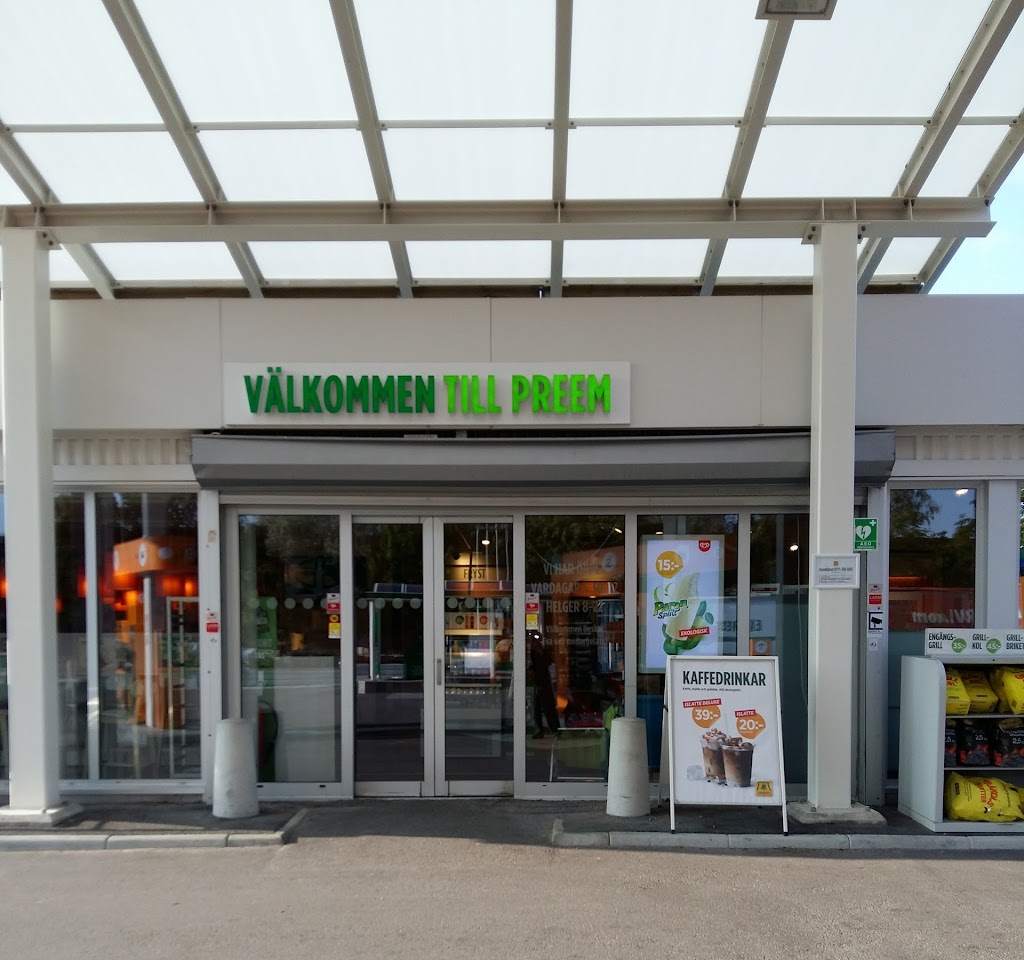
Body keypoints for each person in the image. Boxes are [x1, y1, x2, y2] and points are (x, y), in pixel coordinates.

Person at [528, 631, 560, 738]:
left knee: (547, 706)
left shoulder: (541, 652)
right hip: (539, 683)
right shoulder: (533, 652)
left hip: (543, 683)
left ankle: (554, 729)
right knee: (537, 708)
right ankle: (543, 729)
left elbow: (548, 663)